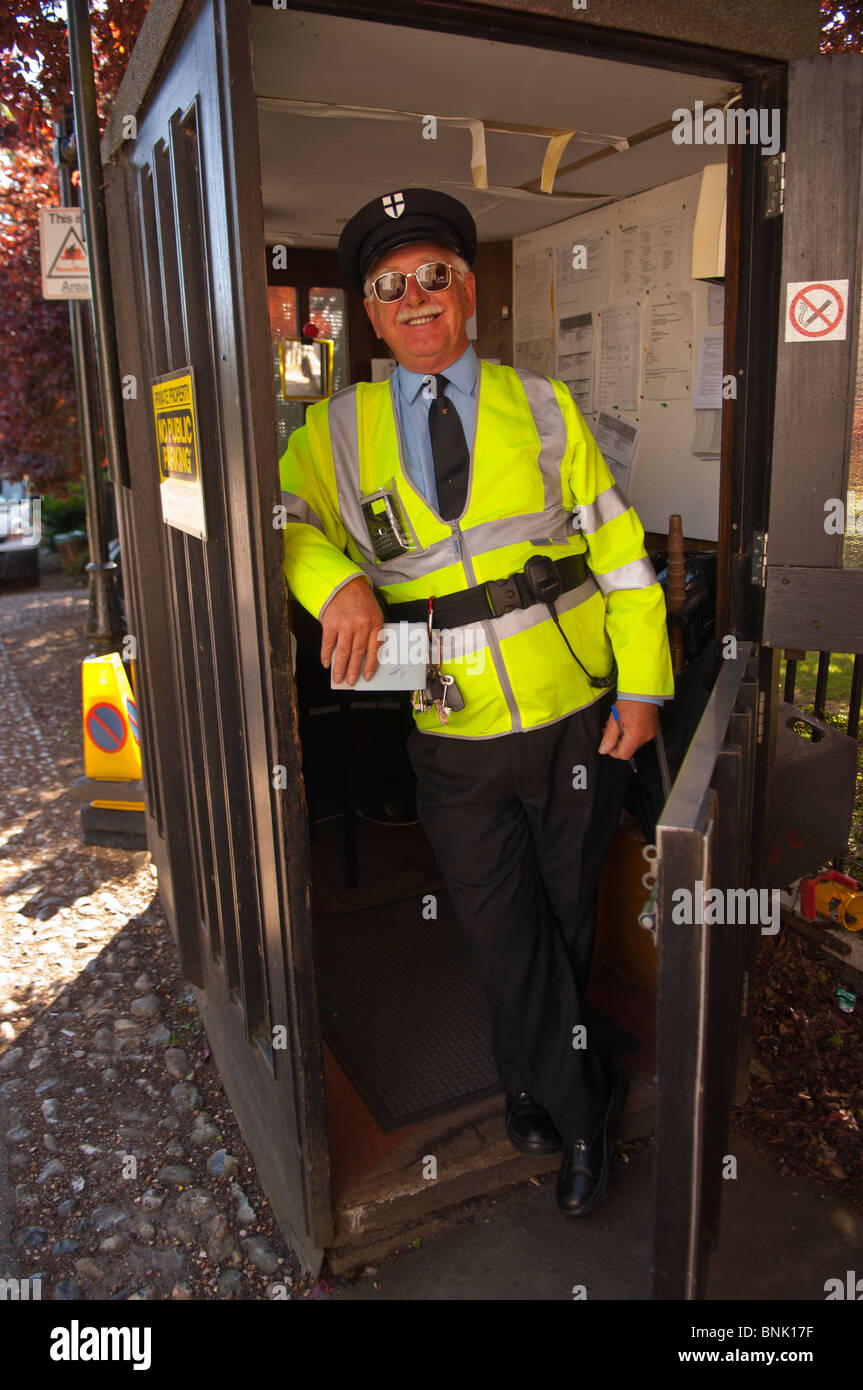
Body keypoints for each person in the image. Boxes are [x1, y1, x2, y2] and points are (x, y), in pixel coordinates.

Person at [279, 188, 673, 1216]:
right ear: (368, 312)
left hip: (574, 712)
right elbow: (286, 527)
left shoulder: (542, 408)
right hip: (449, 729)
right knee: (503, 930)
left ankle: (524, 1082)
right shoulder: (332, 433)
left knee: (561, 921)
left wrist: (640, 685)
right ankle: (586, 1108)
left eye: (434, 276)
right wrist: (341, 582)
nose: (416, 299)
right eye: (390, 285)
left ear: (467, 293)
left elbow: (622, 555)